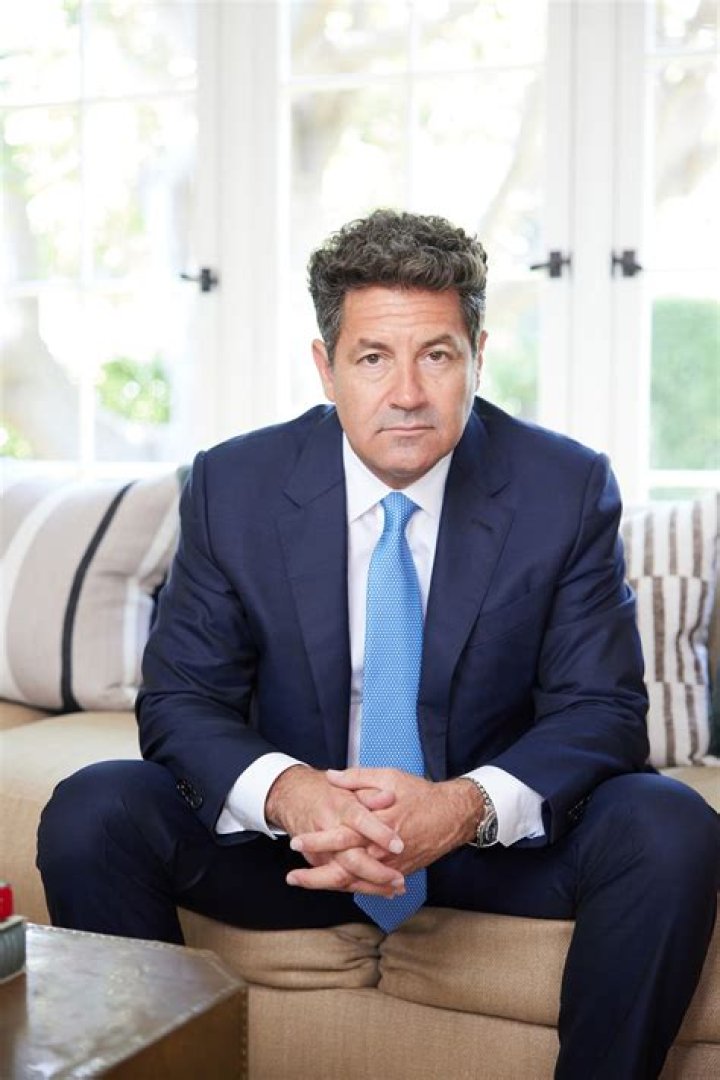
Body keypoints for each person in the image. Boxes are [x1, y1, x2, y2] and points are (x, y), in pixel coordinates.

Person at [38, 210, 718, 1078]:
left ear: (478, 355)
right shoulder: (235, 484)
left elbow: (602, 711)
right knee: (96, 808)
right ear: (326, 368)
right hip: (295, 850)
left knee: (668, 826)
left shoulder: (565, 486)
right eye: (372, 358)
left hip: (482, 847)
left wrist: (460, 808)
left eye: (436, 355)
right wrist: (292, 795)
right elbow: (181, 700)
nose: (407, 393)